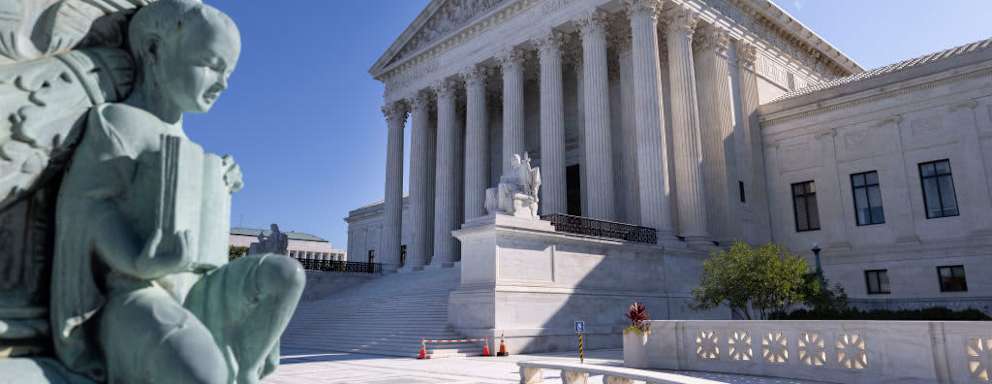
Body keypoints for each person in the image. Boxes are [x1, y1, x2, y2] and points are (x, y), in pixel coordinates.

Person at [50, 1, 304, 383]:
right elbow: (87, 206)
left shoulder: (188, 145)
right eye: (211, 64)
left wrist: (219, 178)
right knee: (202, 374)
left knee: (287, 274)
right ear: (154, 51)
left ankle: (247, 368)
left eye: (229, 72)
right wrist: (135, 261)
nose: (223, 83)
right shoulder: (119, 123)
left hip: (198, 286)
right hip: (137, 292)